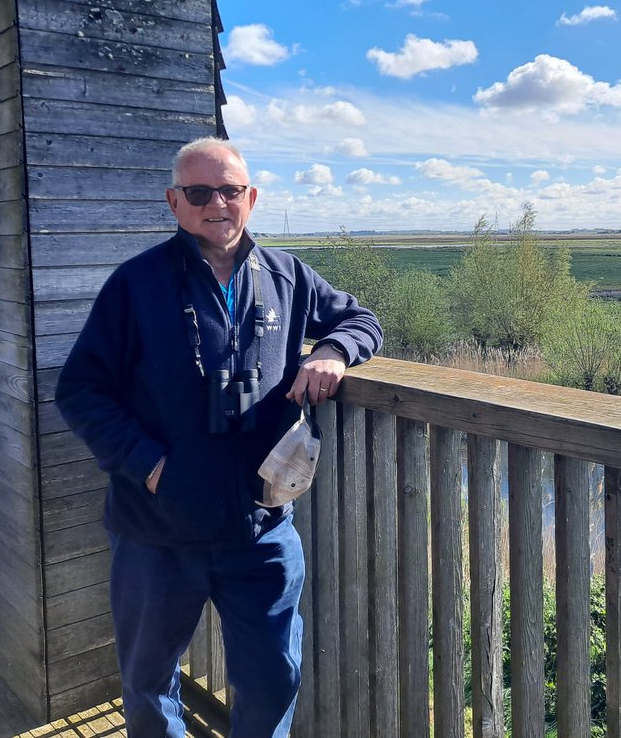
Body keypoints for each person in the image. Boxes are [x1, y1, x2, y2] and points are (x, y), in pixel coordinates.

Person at [56, 138, 382, 737]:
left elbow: (362, 319)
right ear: (174, 202)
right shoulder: (135, 284)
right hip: (156, 531)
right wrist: (151, 466)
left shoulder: (288, 276)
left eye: (230, 190)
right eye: (199, 192)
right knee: (149, 683)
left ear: (251, 198)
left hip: (259, 531)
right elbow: (80, 391)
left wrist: (334, 351)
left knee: (274, 677)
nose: (217, 204)